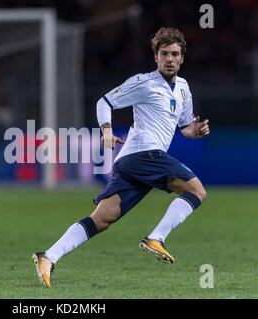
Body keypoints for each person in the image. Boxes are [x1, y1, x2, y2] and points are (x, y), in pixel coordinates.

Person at [32, 27, 210, 288]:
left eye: (174, 54)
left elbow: (185, 128)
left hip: (134, 161)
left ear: (182, 58)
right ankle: (156, 238)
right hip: (144, 153)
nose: (170, 59)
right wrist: (105, 129)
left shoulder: (183, 88)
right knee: (197, 190)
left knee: (103, 218)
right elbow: (104, 102)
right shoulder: (144, 82)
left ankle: (48, 256)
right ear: (156, 57)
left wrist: (197, 131)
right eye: (164, 54)